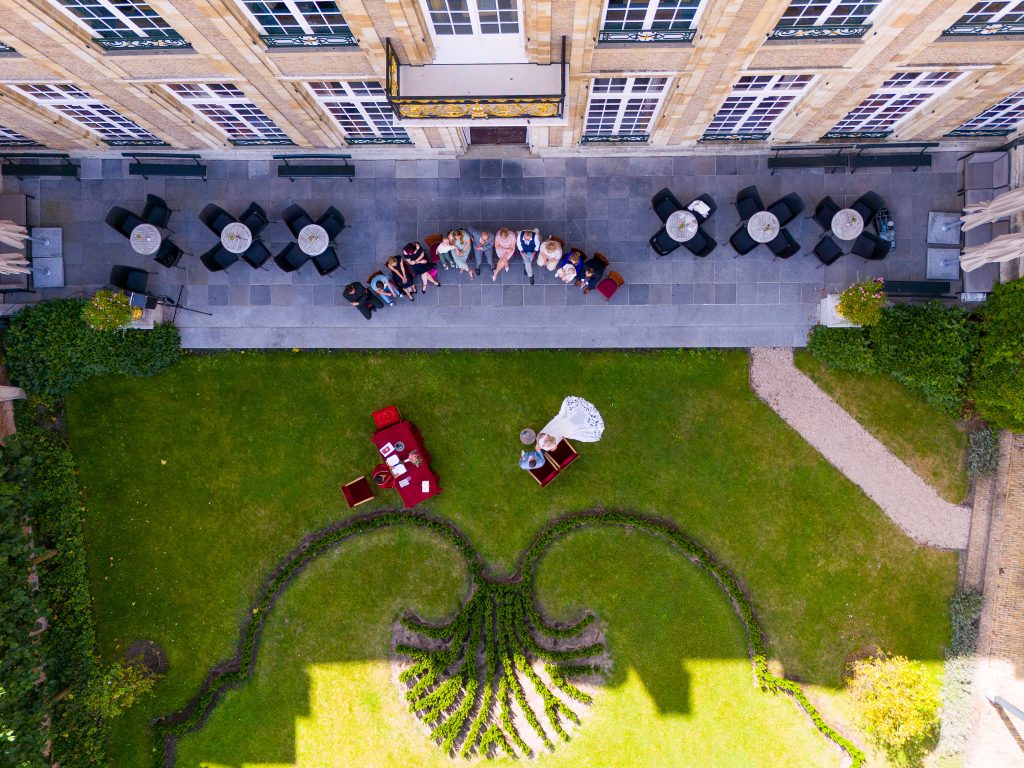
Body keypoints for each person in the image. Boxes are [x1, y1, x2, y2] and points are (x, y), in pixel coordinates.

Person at [539, 396, 605, 445]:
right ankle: (577, 418)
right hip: (560, 425)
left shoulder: (551, 441)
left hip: (566, 429)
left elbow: (553, 447)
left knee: (570, 427)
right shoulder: (544, 434)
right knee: (563, 423)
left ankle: (577, 419)